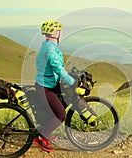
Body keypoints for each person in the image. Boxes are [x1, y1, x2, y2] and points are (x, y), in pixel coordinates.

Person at [33, 19, 96, 153]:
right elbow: (57, 68)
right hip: (45, 88)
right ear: (56, 33)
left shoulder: (48, 45)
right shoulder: (50, 48)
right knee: (61, 115)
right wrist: (73, 82)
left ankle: (47, 130)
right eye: (60, 31)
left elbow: (57, 67)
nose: (62, 33)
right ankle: (40, 137)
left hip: (48, 84)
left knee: (62, 100)